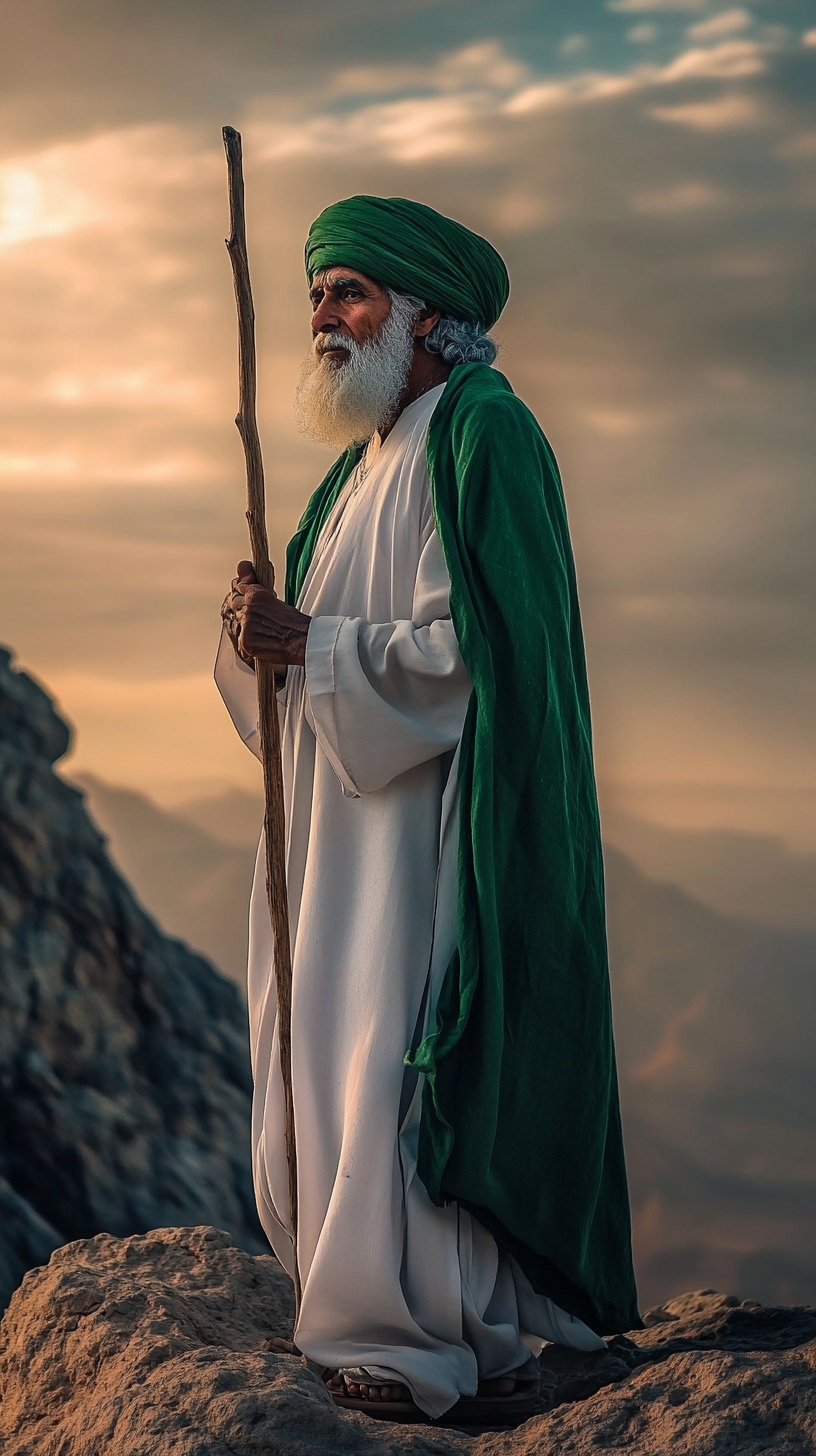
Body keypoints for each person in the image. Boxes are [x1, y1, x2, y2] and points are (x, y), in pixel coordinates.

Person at [216, 195, 640, 1425]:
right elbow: (297, 667)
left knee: (401, 1063)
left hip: (429, 833)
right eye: (316, 295)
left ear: (428, 314)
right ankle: (428, 1323)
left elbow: (482, 655)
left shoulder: (484, 433)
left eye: (349, 293)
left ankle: (408, 1338)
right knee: (345, 1054)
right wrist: (259, 635)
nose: (322, 319)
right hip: (344, 823)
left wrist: (317, 642)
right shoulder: (356, 468)